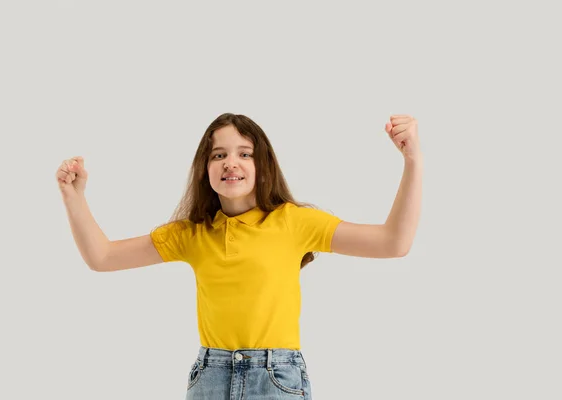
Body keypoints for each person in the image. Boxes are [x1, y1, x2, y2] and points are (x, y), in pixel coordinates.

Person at [56, 112, 422, 399]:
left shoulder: (294, 222)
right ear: (205, 169)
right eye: (219, 155)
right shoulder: (192, 233)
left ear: (264, 166)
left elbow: (393, 242)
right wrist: (74, 197)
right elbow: (102, 257)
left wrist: (412, 160)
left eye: (244, 153)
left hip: (277, 378)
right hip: (210, 378)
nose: (231, 162)